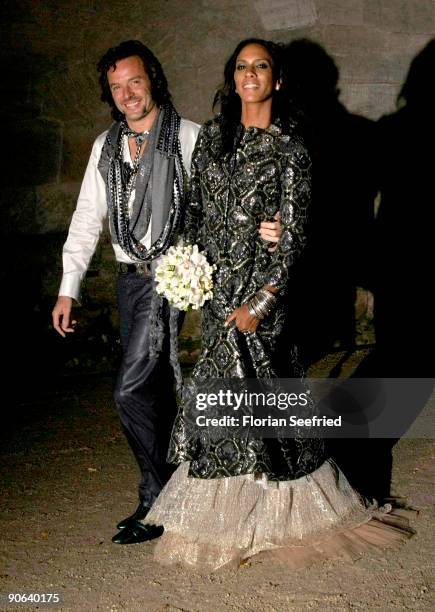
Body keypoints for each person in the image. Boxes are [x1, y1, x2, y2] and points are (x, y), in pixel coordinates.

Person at [143, 38, 415, 571]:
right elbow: (195, 212)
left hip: (264, 296)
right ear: (232, 77)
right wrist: (185, 270)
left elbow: (294, 239)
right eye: (241, 66)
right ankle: (238, 521)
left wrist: (263, 301)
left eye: (260, 66)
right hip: (219, 289)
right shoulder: (213, 140)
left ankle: (289, 513)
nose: (250, 75)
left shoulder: (291, 146)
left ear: (278, 79)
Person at [52, 40, 279, 545]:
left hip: (170, 277)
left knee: (129, 388)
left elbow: (226, 200)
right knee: (149, 388)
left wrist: (268, 226)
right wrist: (69, 287)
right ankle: (175, 491)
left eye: (135, 81)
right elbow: (88, 218)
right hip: (129, 278)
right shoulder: (104, 147)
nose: (127, 94)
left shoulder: (190, 137)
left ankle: (156, 498)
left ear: (152, 79)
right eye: (116, 87)